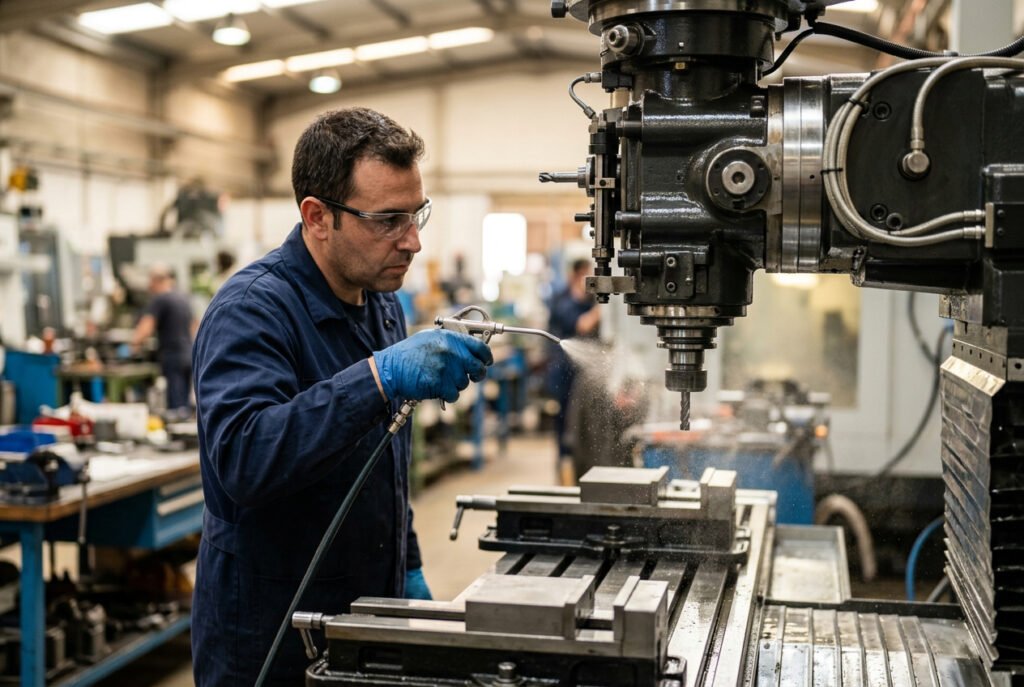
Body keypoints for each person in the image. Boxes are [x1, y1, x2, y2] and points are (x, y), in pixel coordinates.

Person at [190, 107, 492, 686]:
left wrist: (405, 566)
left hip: (363, 611)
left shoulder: (379, 300)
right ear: (317, 216)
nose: (414, 241)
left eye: (416, 214)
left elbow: (385, 461)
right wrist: (375, 379)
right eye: (387, 220)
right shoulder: (252, 311)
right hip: (270, 632)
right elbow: (244, 460)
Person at [546, 259, 601, 484]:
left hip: (581, 375)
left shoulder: (588, 300)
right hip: (564, 375)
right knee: (566, 427)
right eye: (587, 278)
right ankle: (566, 476)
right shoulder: (564, 301)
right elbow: (583, 325)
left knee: (582, 427)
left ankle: (579, 471)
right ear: (576, 277)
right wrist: (603, 309)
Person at [131, 264, 196, 413]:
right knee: (184, 404)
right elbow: (194, 326)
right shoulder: (183, 298)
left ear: (156, 281)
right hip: (188, 354)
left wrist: (132, 346)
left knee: (175, 406)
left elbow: (146, 327)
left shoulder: (160, 299)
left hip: (173, 357)